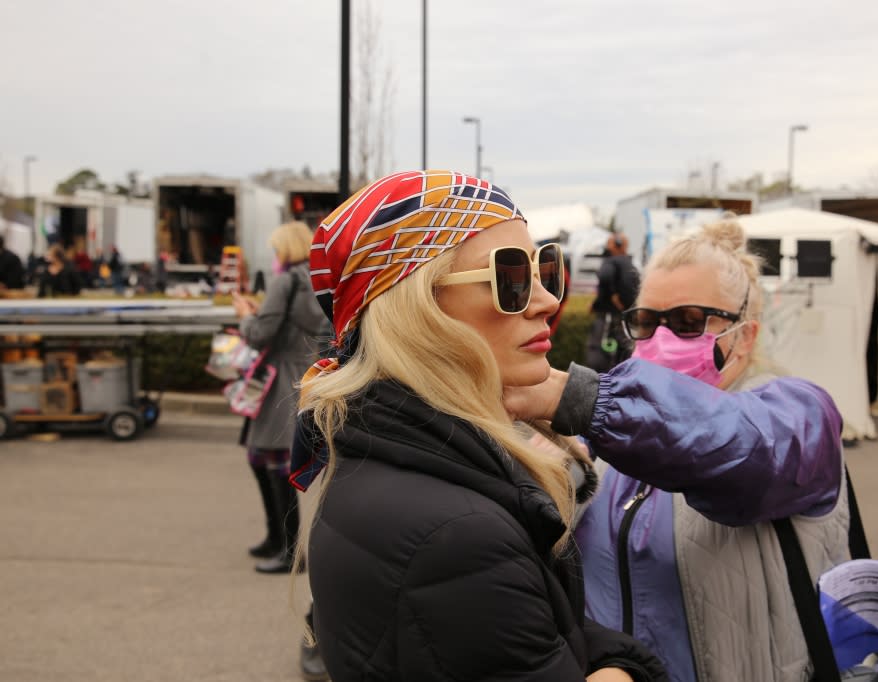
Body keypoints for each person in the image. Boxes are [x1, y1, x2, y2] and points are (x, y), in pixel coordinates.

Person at [290, 170, 667, 682]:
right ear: (417, 312)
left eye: (544, 270)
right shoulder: (455, 535)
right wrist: (628, 668)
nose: (547, 301)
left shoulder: (386, 454)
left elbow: (546, 634)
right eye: (509, 278)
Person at [504, 217, 849, 682]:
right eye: (647, 321)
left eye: (688, 322)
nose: (662, 339)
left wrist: (572, 397)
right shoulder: (599, 438)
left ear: (743, 335)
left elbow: (736, 447)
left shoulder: (801, 415)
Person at [232, 221, 324, 574]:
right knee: (268, 459)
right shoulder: (315, 281)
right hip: (300, 373)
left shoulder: (285, 281)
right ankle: (278, 542)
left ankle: (288, 549)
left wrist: (245, 317)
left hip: (275, 379)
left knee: (269, 461)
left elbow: (259, 333)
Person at [586, 233, 639, 371]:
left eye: (609, 243)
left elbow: (605, 277)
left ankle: (599, 380)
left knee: (600, 349)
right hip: (625, 318)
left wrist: (610, 297)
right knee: (624, 349)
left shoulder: (610, 262)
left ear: (617, 244)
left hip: (607, 316)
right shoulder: (630, 263)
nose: (606, 246)